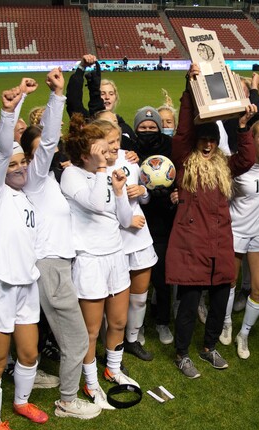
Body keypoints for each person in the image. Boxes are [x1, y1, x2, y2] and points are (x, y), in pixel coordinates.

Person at [18, 68, 102, 420]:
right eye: (37, 153)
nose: (46, 155)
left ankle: (61, 392)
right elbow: (49, 141)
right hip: (50, 266)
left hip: (58, 265)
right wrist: (56, 96)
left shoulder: (50, 180)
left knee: (73, 337)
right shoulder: (36, 180)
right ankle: (68, 400)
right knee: (77, 340)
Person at [167, 63, 256, 378]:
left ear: (217, 142)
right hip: (192, 244)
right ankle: (181, 353)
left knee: (220, 302)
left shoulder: (223, 165)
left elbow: (247, 159)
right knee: (190, 305)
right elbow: (183, 132)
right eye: (202, 139)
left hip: (219, 243)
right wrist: (189, 90)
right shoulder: (184, 161)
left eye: (212, 140)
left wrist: (244, 126)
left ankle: (208, 348)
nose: (207, 144)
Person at [0, 79, 49, 430]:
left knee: (30, 353)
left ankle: (21, 402)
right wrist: (10, 111)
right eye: (12, 164)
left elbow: (33, 150)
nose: (18, 167)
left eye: (23, 162)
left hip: (26, 286)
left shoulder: (26, 195)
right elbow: (3, 150)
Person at [60, 115, 139, 405]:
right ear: (85, 155)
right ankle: (90, 383)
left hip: (115, 255)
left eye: (107, 149)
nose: (107, 154)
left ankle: (113, 370)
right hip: (89, 259)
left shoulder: (108, 173)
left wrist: (119, 192)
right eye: (101, 150)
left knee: (118, 320)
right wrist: (105, 171)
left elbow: (124, 218)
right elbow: (94, 204)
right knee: (90, 330)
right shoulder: (72, 175)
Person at [100, 117, 158, 362]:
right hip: (112, 241)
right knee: (110, 298)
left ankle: (132, 339)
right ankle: (111, 345)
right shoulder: (91, 167)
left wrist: (143, 191)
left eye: (117, 140)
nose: (116, 146)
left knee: (140, 293)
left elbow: (145, 197)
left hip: (139, 235)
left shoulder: (131, 160)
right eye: (109, 142)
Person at [226, 120, 259, 358]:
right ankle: (226, 322)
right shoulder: (237, 165)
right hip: (235, 230)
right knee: (229, 283)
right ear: (252, 139)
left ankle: (243, 334)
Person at [131, 106, 177, 346]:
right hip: (136, 225)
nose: (148, 131)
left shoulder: (169, 147)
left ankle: (162, 322)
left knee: (162, 277)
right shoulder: (130, 151)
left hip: (162, 223)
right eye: (143, 127)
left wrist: (171, 194)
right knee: (137, 279)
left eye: (153, 127)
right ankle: (136, 326)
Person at [65, 55, 136, 150]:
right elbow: (73, 101)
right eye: (102, 93)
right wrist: (81, 67)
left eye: (111, 94)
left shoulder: (125, 127)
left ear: (116, 97)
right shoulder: (86, 121)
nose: (107, 97)